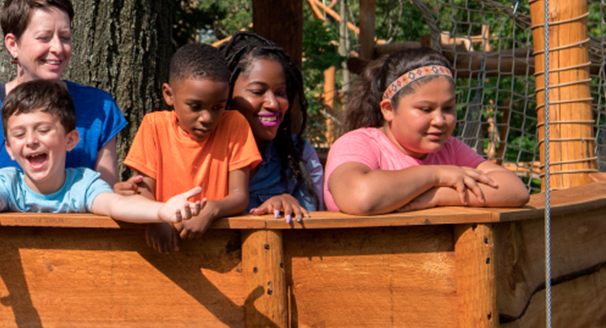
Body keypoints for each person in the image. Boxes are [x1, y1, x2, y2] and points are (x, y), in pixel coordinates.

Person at [0, 80, 203, 223]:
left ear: (70, 139)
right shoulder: (5, 183)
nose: (31, 141)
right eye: (20, 134)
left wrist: (162, 211)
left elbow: (117, 205)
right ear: (10, 149)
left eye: (43, 130)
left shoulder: (83, 185)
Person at [0, 0, 126, 190]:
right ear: (13, 44)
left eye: (65, 37)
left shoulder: (99, 107)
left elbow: (106, 198)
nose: (57, 48)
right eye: (44, 38)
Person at [324, 48, 530, 214]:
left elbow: (515, 190)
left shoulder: (451, 149)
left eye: (448, 108)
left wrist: (438, 195)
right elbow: (359, 197)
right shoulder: (357, 144)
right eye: (426, 109)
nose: (440, 120)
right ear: (388, 109)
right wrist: (437, 174)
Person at [121, 43, 262, 252]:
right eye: (195, 107)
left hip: (218, 246)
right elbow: (144, 190)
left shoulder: (234, 124)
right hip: (162, 245)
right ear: (169, 95)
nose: (207, 118)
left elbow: (239, 197)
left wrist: (212, 211)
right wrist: (156, 219)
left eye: (218, 107)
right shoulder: (154, 126)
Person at [219, 31, 324, 223]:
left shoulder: (299, 155)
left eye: (280, 92)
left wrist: (287, 205)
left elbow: (315, 230)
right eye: (258, 91)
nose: (274, 104)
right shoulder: (199, 152)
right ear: (224, 94)